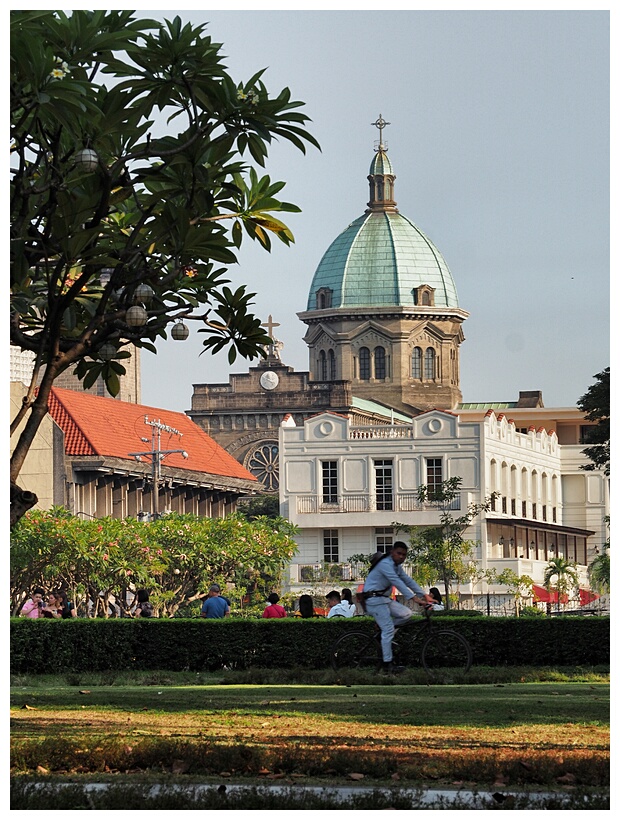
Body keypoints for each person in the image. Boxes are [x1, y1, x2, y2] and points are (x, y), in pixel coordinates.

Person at [362, 541, 435, 674]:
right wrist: (415, 599)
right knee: (389, 629)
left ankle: (383, 634)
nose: (401, 557)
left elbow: (407, 580)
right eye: (399, 553)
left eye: (404, 555)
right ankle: (387, 665)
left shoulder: (396, 566)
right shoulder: (385, 564)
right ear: (392, 552)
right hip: (374, 601)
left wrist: (424, 595)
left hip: (383, 599)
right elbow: (397, 582)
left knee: (406, 614)